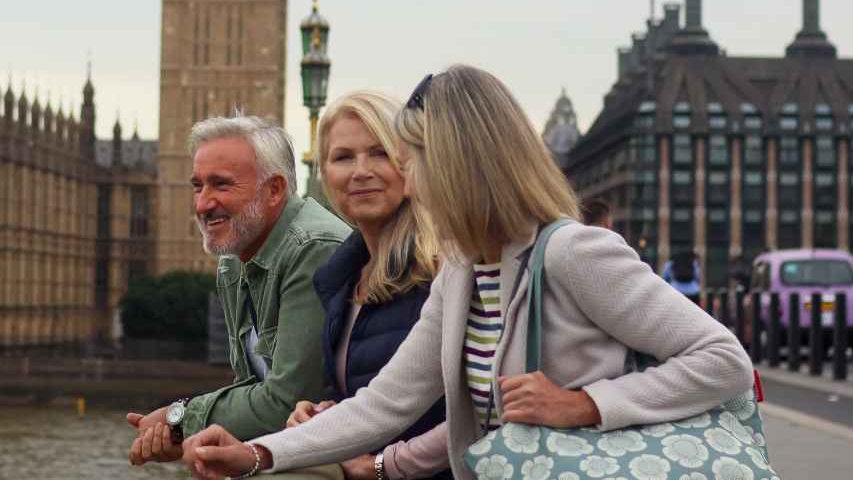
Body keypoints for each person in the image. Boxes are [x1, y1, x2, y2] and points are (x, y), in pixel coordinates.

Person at [184, 65, 754, 480]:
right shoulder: (463, 273)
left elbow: (724, 362)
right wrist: (259, 455)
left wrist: (585, 404)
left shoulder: (571, 254)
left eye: (411, 162)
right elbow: (386, 404)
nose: (407, 179)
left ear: (457, 163)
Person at [127, 114, 351, 468]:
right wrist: (191, 438)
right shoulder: (234, 260)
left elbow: (288, 402)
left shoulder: (313, 250)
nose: (202, 203)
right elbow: (250, 387)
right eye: (198, 186)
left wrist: (182, 419)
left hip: (347, 454)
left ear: (274, 190)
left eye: (221, 185)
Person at [294, 91, 451, 480]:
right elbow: (365, 397)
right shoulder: (341, 281)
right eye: (343, 157)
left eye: (379, 153)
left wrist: (379, 467)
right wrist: (324, 413)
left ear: (411, 163)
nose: (360, 171)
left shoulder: (445, 266)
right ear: (325, 173)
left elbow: (482, 410)